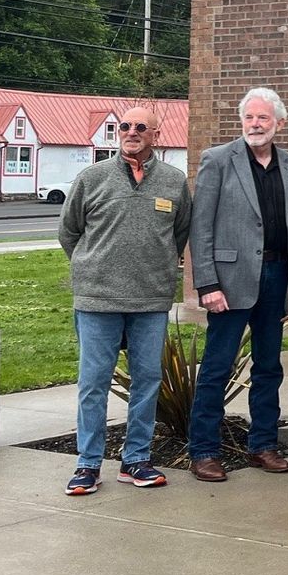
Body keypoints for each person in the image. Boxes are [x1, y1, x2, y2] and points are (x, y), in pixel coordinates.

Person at [57, 103, 192, 495]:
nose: (131, 132)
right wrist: (91, 267)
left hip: (150, 300)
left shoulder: (173, 181)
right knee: (93, 383)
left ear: (156, 135)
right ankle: (87, 464)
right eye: (124, 126)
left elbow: (178, 235)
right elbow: (69, 233)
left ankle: (136, 460)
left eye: (140, 127)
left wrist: (157, 269)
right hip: (97, 298)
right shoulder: (92, 178)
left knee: (147, 381)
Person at [187, 87, 288, 481]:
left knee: (269, 367)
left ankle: (263, 445)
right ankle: (204, 450)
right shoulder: (218, 160)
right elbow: (200, 226)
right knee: (217, 368)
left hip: (277, 278)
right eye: (249, 118)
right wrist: (207, 283)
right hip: (229, 280)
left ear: (279, 123)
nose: (255, 125)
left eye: (263, 119)